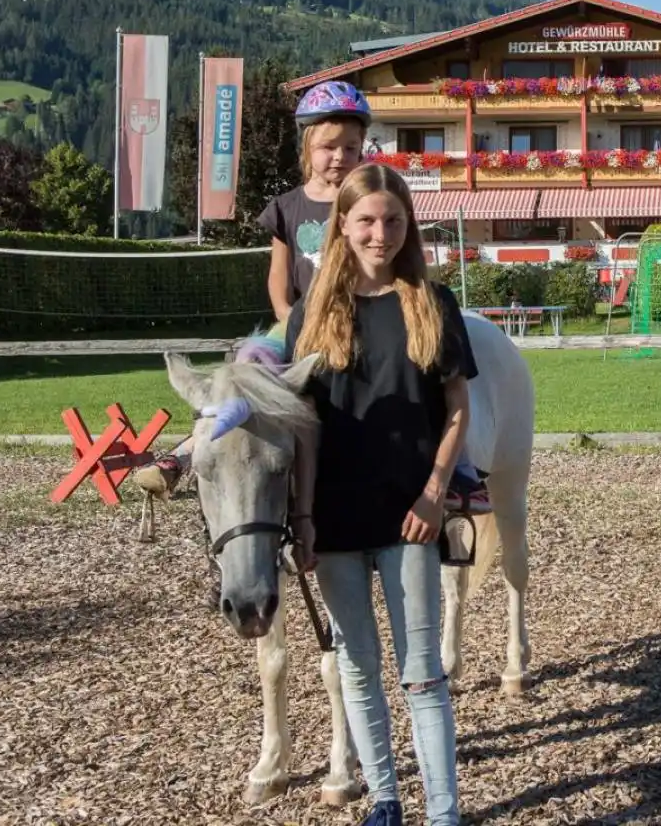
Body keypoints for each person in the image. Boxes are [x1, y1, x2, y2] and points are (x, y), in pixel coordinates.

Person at [136, 82, 489, 513]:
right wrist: (295, 320)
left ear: (364, 149)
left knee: (425, 376)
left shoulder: (366, 202)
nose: (340, 156)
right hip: (303, 318)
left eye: (351, 147)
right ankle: (191, 451)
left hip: (364, 309)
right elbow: (278, 279)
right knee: (247, 365)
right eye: (329, 147)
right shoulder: (287, 207)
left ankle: (461, 470)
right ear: (308, 147)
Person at [286, 163, 475, 826]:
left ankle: (444, 810)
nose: (380, 233)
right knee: (360, 669)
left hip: (410, 517)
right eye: (366, 219)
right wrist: (303, 516)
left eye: (392, 219)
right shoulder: (313, 312)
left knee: (421, 674)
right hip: (335, 517)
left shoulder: (431, 302)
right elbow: (304, 425)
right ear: (342, 223)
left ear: (407, 224)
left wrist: (434, 493)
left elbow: (456, 410)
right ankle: (386, 800)